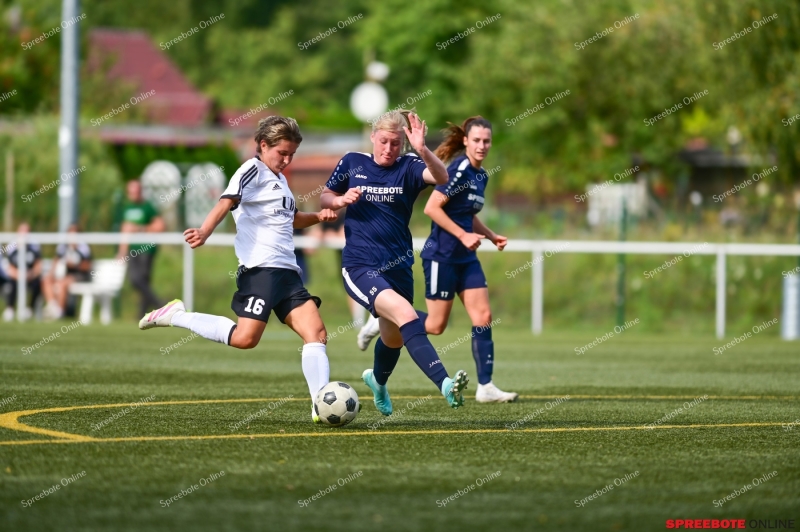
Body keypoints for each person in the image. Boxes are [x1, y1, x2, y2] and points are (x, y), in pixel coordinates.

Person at [139, 116, 338, 423]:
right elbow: (226, 201)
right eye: (281, 153)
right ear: (262, 145)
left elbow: (292, 218)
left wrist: (320, 217)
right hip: (260, 270)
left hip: (287, 273)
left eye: (291, 154)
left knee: (317, 334)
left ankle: (319, 406)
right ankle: (175, 315)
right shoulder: (251, 169)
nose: (286, 160)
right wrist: (205, 231)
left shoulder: (281, 181)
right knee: (246, 339)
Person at [359, 116, 517, 403]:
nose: (482, 146)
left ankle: (486, 386)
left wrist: (491, 235)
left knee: (483, 316)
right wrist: (462, 235)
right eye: (477, 140)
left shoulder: (481, 175)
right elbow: (432, 208)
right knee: (434, 326)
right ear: (466, 141)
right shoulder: (456, 170)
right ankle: (385, 319)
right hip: (441, 256)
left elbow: (467, 213)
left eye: (487, 141)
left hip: (466, 258)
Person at [320, 110, 469, 415]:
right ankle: (445, 383)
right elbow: (326, 194)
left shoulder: (410, 166)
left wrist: (423, 149)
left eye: (396, 144)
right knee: (406, 315)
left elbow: (442, 178)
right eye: (384, 141)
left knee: (393, 338)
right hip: (360, 265)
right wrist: (337, 201)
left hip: (399, 266)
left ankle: (377, 380)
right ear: (373, 137)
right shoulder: (352, 162)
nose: (389, 149)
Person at [118, 179, 166, 317]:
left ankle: (142, 315)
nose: (134, 193)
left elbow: (160, 226)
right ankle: (159, 304)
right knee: (135, 280)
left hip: (147, 249)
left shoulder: (148, 207)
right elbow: (125, 232)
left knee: (143, 280)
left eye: (137, 190)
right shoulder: (126, 208)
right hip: (132, 250)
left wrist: (139, 228)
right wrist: (122, 250)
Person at [42, 223, 92, 320]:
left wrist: (75, 264)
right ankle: (52, 306)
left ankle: (60, 312)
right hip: (64, 275)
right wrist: (51, 274)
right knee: (46, 280)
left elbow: (87, 266)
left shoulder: (83, 247)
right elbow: (56, 261)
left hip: (80, 276)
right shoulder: (63, 247)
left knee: (62, 283)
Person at [2, 222, 42, 322]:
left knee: (38, 284)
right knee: (12, 284)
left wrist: (31, 274)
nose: (25, 234)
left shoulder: (34, 246)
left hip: (30, 276)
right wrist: (19, 275)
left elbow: (38, 265)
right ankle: (10, 309)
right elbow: (8, 267)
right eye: (22, 231)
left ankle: (30, 309)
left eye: (27, 231)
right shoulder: (12, 247)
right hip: (16, 276)